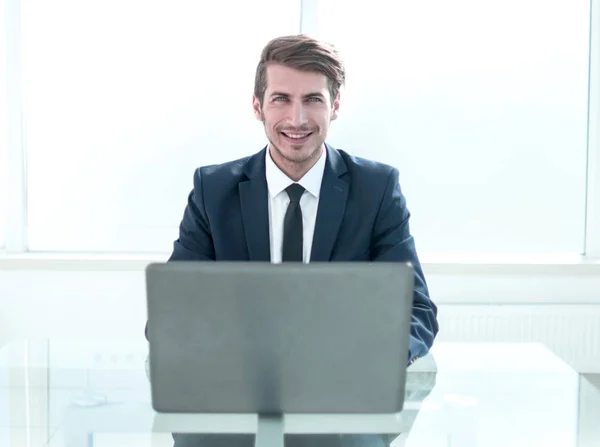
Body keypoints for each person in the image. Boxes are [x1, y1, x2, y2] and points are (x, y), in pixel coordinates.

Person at [152, 34, 439, 447]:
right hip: (234, 395)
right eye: (281, 98)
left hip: (342, 397)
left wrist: (371, 361)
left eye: (314, 100)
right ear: (258, 106)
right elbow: (174, 309)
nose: (297, 119)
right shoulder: (212, 190)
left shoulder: (376, 188)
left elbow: (417, 311)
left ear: (335, 106)